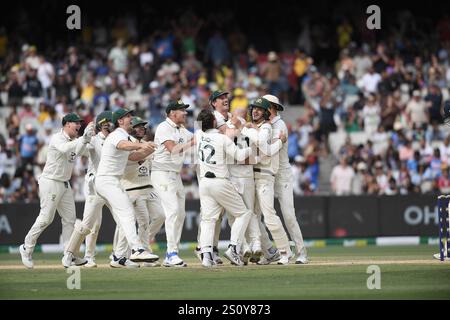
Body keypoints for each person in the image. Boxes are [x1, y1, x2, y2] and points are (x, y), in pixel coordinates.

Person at [19, 113, 95, 269]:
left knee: (70, 220)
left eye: (80, 124)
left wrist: (90, 139)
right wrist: (83, 139)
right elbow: (64, 148)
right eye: (76, 123)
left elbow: (80, 151)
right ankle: (26, 248)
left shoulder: (75, 141)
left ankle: (70, 254)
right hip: (50, 181)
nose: (79, 126)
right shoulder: (57, 138)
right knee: (46, 218)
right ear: (67, 124)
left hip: (65, 184)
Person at [94, 108, 159, 267]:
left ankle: (118, 258)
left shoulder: (126, 136)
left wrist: (146, 151)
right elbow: (124, 146)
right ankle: (137, 250)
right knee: (127, 212)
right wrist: (140, 146)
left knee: (124, 216)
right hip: (106, 180)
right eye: (128, 116)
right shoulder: (117, 135)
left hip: (113, 181)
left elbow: (132, 157)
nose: (131, 118)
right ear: (120, 121)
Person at [196, 109, 252, 267]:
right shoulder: (222, 139)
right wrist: (250, 148)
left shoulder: (199, 136)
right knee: (243, 214)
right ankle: (233, 248)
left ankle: (206, 255)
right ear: (214, 122)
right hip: (220, 181)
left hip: (204, 183)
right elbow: (240, 156)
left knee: (208, 220)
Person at [243, 97, 292, 265]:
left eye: (259, 109)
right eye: (253, 108)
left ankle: (285, 251)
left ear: (266, 113)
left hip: (264, 176)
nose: (255, 111)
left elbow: (261, 143)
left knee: (269, 216)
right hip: (251, 177)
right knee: (253, 218)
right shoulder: (255, 127)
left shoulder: (267, 127)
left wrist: (245, 129)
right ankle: (270, 253)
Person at [112, 116, 166, 268]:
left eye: (143, 126)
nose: (142, 128)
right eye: (138, 126)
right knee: (137, 222)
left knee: (160, 216)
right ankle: (128, 254)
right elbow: (133, 160)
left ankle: (141, 250)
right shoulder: (126, 144)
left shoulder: (144, 144)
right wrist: (146, 151)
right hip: (131, 188)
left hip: (148, 187)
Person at [61, 111, 113, 268]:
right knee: (91, 225)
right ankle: (83, 255)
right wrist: (85, 137)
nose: (112, 125)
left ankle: (119, 255)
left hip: (112, 185)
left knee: (125, 219)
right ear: (102, 124)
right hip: (94, 185)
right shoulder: (94, 140)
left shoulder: (117, 139)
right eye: (109, 122)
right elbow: (78, 151)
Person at [263, 94, 309, 264]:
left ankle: (302, 252)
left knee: (289, 215)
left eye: (263, 107)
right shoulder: (264, 125)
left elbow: (269, 150)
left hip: (282, 175)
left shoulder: (280, 125)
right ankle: (278, 252)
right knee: (265, 216)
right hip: (267, 175)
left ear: (270, 108)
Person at [151, 100, 195, 267]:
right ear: (172, 113)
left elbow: (199, 139)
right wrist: (193, 142)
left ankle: (169, 253)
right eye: (182, 110)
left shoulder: (182, 130)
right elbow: (173, 149)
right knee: (173, 211)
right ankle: (171, 253)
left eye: (185, 110)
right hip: (161, 173)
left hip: (175, 175)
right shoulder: (163, 127)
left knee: (181, 214)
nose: (185, 113)